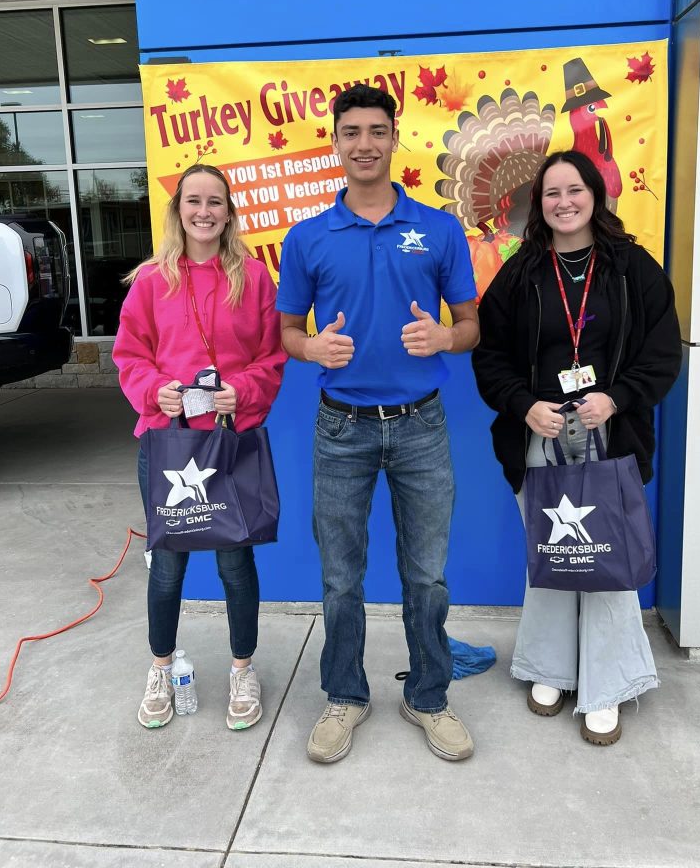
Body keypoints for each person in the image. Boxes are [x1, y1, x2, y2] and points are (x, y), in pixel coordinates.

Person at [277, 84, 479, 763]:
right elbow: (284, 332)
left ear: (396, 139)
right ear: (335, 143)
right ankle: (345, 696)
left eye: (376, 130)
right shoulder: (308, 238)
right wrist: (311, 348)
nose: (364, 143)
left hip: (422, 427)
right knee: (341, 578)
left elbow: (471, 325)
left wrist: (445, 339)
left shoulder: (439, 229)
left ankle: (428, 696)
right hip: (342, 430)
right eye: (350, 132)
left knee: (427, 576)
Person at [471, 149, 681, 745]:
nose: (564, 202)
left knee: (606, 561)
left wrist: (617, 398)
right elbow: (491, 356)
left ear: (595, 194)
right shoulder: (521, 272)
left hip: (610, 436)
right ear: (538, 206)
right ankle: (550, 667)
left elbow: (662, 354)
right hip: (540, 438)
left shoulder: (632, 268)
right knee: (553, 554)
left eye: (574, 190)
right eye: (551, 193)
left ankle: (607, 683)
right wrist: (522, 404)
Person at [113, 164, 286, 730]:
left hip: (228, 444)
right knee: (167, 567)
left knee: (236, 562)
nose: (204, 211)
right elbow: (129, 356)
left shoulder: (255, 278)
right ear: (178, 209)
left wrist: (244, 391)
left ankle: (242, 667)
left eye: (215, 201)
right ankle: (160, 667)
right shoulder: (150, 281)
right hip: (167, 446)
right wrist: (151, 390)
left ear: (229, 211)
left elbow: (271, 359)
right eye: (194, 200)